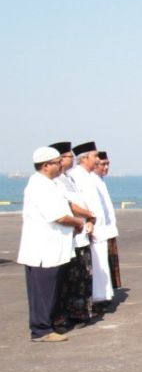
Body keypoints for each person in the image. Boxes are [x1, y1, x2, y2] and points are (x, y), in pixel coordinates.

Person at [18, 147, 82, 342]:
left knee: (51, 289)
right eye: (57, 162)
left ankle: (47, 325)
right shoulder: (39, 185)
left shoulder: (50, 183)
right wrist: (77, 222)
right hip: (43, 249)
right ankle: (41, 330)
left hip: (54, 247)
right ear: (46, 166)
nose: (60, 165)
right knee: (43, 291)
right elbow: (58, 217)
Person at [59, 141, 103, 324]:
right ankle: (70, 314)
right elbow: (69, 205)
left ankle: (80, 312)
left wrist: (90, 220)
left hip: (83, 230)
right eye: (70, 156)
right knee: (73, 277)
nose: (99, 160)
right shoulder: (63, 178)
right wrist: (89, 215)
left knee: (82, 276)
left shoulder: (68, 178)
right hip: (74, 232)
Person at [89, 149, 120, 308]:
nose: (106, 167)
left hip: (107, 229)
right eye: (103, 164)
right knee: (99, 264)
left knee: (107, 262)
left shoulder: (100, 180)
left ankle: (105, 294)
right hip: (97, 230)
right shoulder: (90, 180)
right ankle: (99, 298)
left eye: (108, 164)